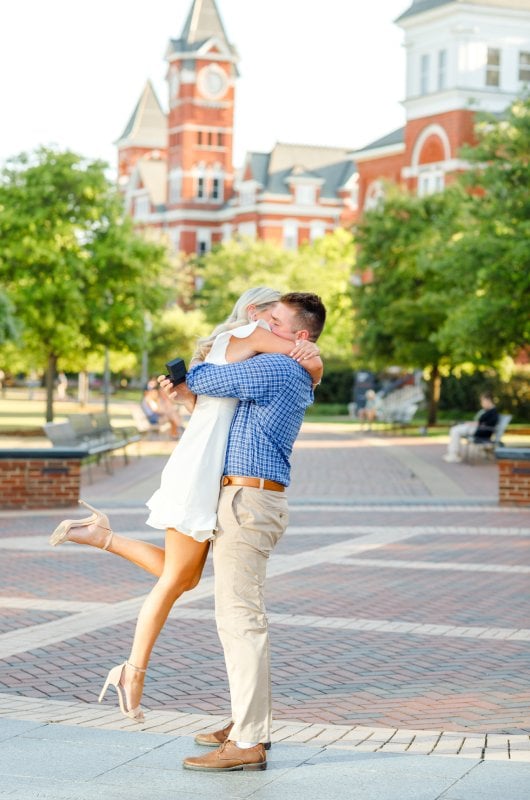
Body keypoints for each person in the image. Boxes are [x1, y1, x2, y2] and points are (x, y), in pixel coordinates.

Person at [49, 287, 322, 728]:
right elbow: (221, 379)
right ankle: (132, 672)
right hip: (201, 473)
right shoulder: (245, 345)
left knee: (187, 576)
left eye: (279, 323)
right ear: (253, 314)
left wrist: (186, 394)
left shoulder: (250, 358)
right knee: (178, 579)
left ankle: (103, 536)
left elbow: (211, 406)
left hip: (212, 473)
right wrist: (312, 359)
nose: (274, 330)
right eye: (269, 319)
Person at [163, 291, 326, 773]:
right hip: (250, 499)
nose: (260, 326)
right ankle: (245, 724)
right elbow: (210, 396)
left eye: (272, 321)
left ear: (299, 335)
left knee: (240, 620)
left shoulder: (277, 368)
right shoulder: (288, 366)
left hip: (248, 501)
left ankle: (249, 740)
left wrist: (252, 344)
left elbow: (208, 375)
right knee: (240, 619)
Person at [443, 392, 499, 463]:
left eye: (482, 401)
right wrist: (469, 423)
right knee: (456, 429)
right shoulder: (489, 411)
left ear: (488, 400)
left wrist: (472, 424)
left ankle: (453, 455)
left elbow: (485, 425)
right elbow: (482, 423)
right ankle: (453, 454)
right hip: (478, 429)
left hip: (480, 431)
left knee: (455, 430)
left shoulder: (493, 412)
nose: (482, 403)